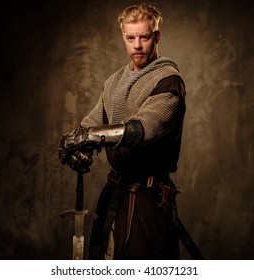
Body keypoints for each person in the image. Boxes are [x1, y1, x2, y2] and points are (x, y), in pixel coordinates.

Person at [59, 3, 186, 260]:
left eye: (145, 37)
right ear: (124, 38)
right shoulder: (114, 82)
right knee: (106, 261)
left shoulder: (168, 81)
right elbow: (91, 124)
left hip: (149, 199)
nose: (137, 45)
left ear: (157, 36)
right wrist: (74, 146)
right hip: (114, 194)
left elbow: (142, 129)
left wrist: (88, 136)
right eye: (131, 38)